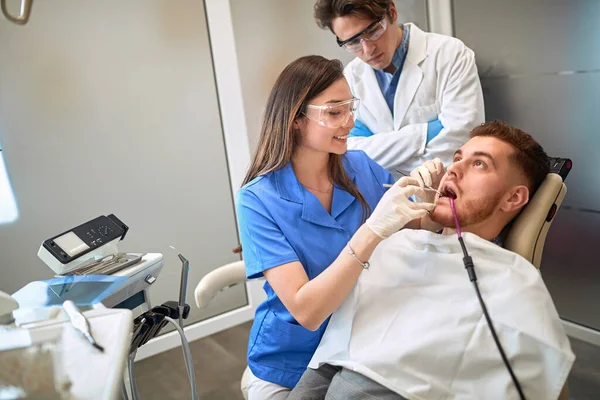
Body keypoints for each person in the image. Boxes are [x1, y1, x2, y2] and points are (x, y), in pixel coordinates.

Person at [287, 121, 575, 400]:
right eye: (457, 157)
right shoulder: (400, 242)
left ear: (513, 198)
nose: (453, 170)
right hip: (327, 367)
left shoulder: (514, 280)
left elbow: (546, 384)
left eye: (479, 164)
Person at [236, 55, 439, 399]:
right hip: (291, 363)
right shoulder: (257, 199)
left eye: (350, 108)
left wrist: (435, 190)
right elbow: (307, 311)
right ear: (296, 119)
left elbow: (417, 225)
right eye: (334, 112)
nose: (349, 122)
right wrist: (372, 231)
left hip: (361, 346)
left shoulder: (361, 167)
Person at [314, 0, 485, 178]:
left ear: (392, 12)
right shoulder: (351, 77)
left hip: (446, 191)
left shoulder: (450, 55)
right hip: (385, 200)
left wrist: (385, 159)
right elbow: (348, 153)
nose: (368, 49)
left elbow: (461, 140)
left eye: (373, 31)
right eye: (352, 42)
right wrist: (424, 133)